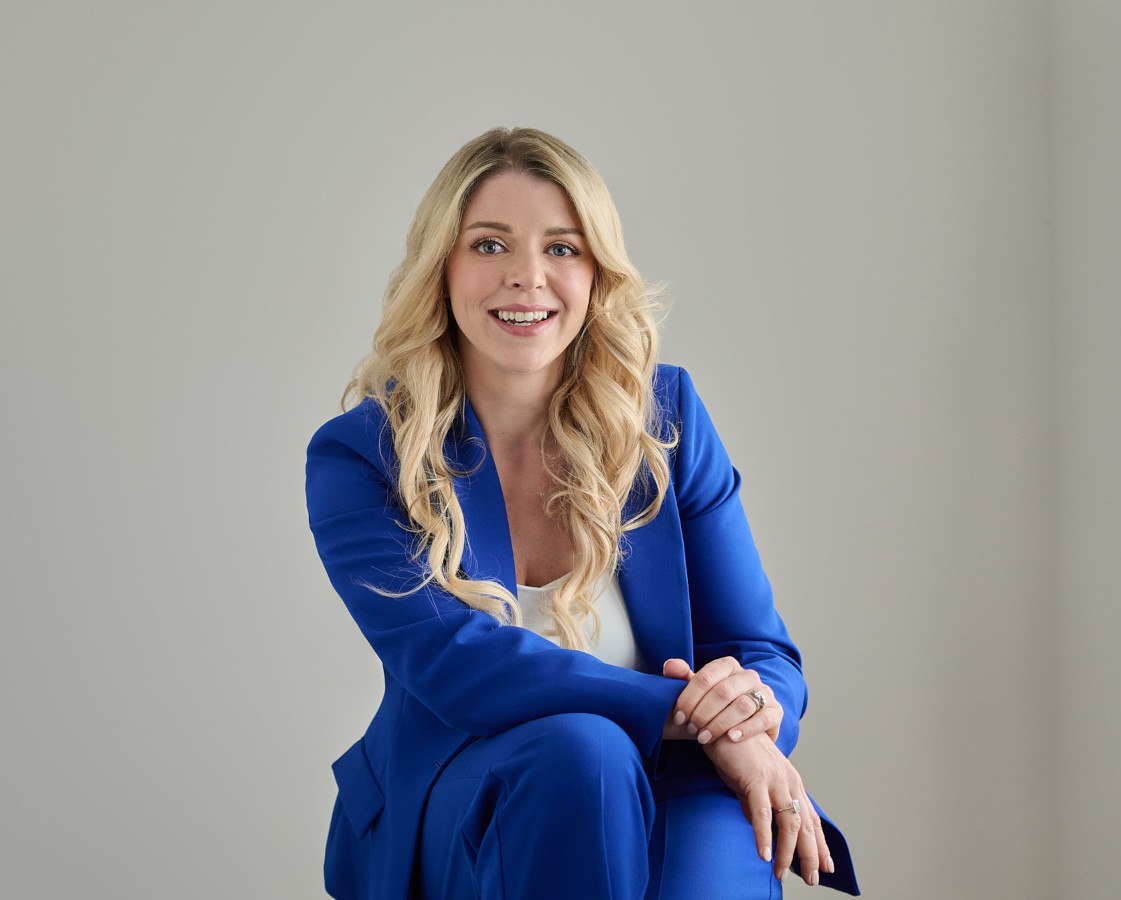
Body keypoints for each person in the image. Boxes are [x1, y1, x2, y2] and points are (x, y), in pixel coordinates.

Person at [305, 126, 859, 899]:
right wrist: (691, 713)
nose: (527, 278)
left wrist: (747, 717)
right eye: (490, 246)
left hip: (676, 773)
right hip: (468, 790)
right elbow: (457, 667)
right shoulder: (365, 455)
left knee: (723, 844)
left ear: (598, 272)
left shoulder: (666, 420)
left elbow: (757, 647)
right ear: (442, 267)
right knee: (581, 753)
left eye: (562, 249)